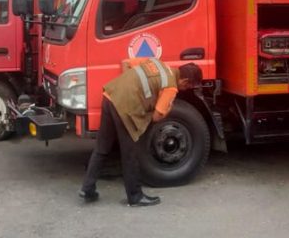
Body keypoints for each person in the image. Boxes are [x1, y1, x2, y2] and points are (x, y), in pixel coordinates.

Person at [79, 58, 203, 207]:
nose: (185, 89)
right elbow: (157, 116)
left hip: (110, 96)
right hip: (125, 110)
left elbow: (125, 62)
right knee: (130, 153)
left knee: (102, 147)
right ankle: (135, 196)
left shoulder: (157, 63)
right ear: (185, 80)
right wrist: (168, 108)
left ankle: (87, 188)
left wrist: (130, 89)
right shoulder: (170, 87)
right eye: (188, 86)